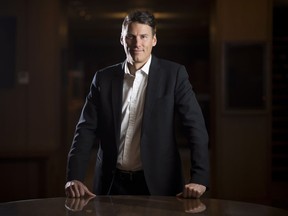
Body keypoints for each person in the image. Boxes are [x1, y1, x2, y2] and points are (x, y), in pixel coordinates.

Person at [65, 10, 209, 199]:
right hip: (111, 183)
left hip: (160, 184)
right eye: (131, 37)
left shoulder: (174, 75)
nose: (137, 43)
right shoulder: (103, 78)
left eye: (143, 36)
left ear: (154, 40)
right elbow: (85, 129)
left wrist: (199, 177)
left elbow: (195, 127)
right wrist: (74, 177)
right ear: (122, 39)